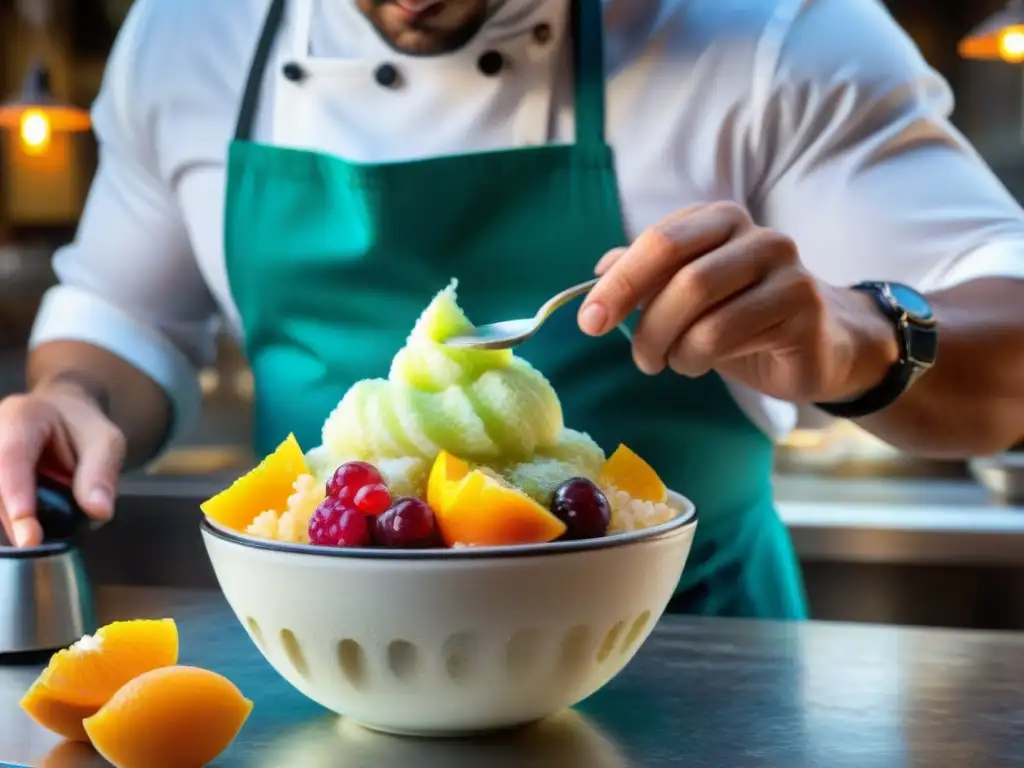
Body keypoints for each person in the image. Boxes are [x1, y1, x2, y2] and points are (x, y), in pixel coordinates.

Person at [1, 0, 1023, 620]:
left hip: (698, 672)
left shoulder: (773, 31)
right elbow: (123, 315)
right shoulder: (186, 33)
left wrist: (858, 339)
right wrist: (76, 397)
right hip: (319, 676)